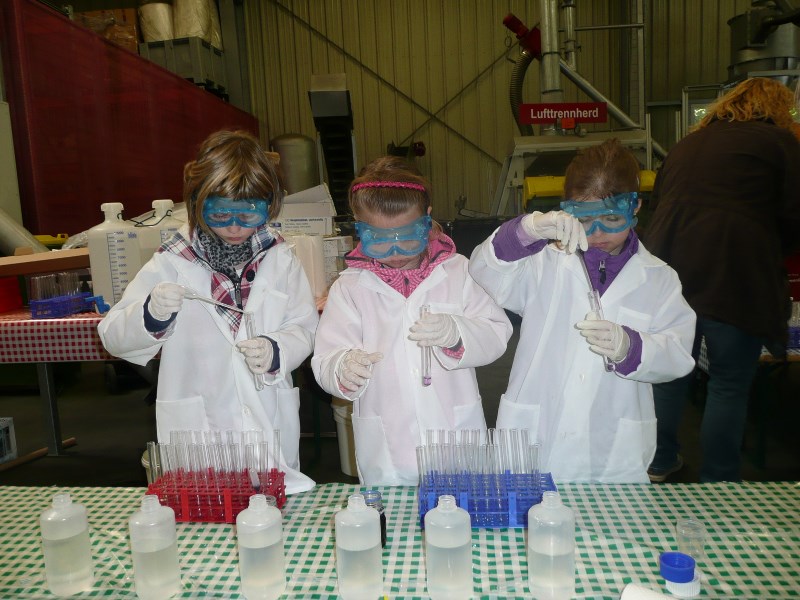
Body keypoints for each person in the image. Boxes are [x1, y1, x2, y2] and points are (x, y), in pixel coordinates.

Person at [98, 130, 319, 494]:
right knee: (204, 510)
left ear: (270, 205)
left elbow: (304, 327)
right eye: (220, 213)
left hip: (267, 417)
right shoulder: (171, 261)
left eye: (249, 213)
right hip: (200, 429)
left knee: (272, 509)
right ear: (197, 202)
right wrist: (151, 315)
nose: (235, 226)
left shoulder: (281, 259)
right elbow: (113, 337)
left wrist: (277, 350)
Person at [469, 138, 696, 484]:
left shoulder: (658, 278)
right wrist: (527, 230)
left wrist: (631, 347)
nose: (599, 232)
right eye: (585, 220)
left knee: (613, 519)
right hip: (537, 436)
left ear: (635, 206)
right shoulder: (543, 264)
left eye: (612, 218)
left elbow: (678, 355)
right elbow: (484, 269)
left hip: (612, 446)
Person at [311, 156, 512, 486]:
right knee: (393, 513)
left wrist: (458, 333)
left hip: (455, 440)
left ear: (427, 220)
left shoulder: (458, 271)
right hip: (388, 449)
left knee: (460, 510)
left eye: (407, 236)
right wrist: (342, 367)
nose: (395, 251)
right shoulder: (349, 287)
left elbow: (496, 331)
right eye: (378, 238)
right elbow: (326, 356)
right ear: (359, 228)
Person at [645, 77, 800, 483]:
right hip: (736, 274)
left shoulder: (687, 145)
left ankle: (659, 462)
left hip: (670, 269)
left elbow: (658, 206)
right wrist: (772, 247)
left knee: (670, 374)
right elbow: (794, 215)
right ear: (777, 109)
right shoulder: (781, 144)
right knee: (728, 382)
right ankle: (718, 482)